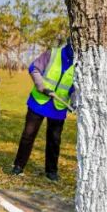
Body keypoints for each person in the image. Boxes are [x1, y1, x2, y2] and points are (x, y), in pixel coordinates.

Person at [11, 39, 75, 182]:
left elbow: (75, 88)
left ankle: (51, 171)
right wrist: (41, 87)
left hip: (58, 107)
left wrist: (75, 101)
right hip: (38, 101)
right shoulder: (52, 54)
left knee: (54, 140)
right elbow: (34, 68)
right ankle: (18, 166)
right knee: (28, 135)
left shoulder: (81, 63)